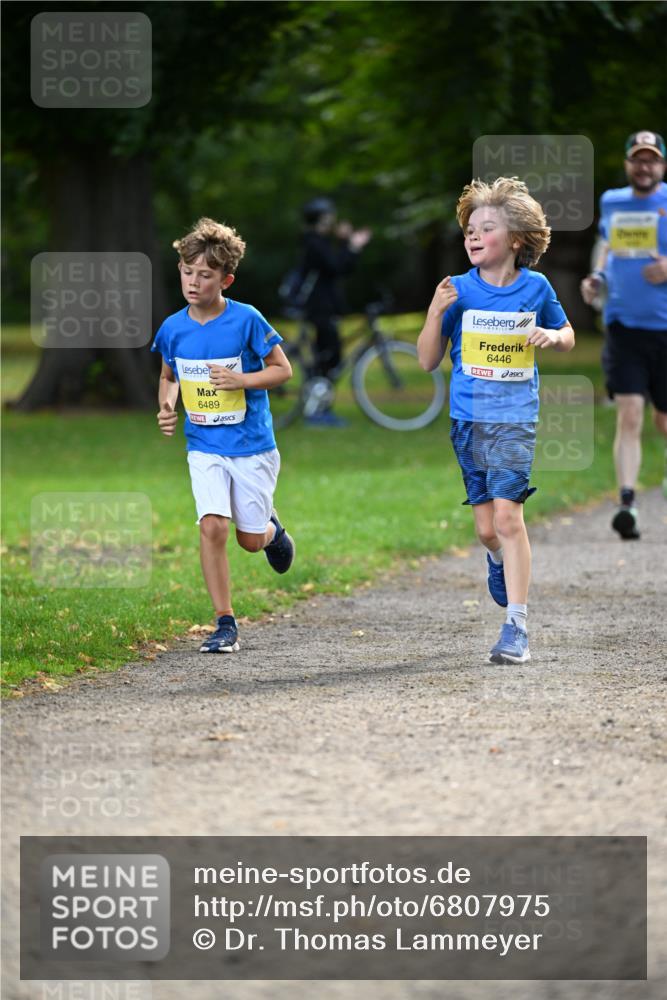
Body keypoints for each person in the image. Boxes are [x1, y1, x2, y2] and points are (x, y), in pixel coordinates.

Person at [417, 177, 575, 665]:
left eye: (486, 227)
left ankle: (517, 628)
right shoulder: (456, 290)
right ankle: (495, 558)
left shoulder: (536, 287)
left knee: (509, 517)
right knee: (487, 529)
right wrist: (433, 312)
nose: (472, 235)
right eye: (469, 228)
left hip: (514, 419)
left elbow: (568, 333)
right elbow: (426, 360)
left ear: (516, 240)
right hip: (468, 419)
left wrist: (553, 337)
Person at [152, 217, 295, 654]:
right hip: (204, 447)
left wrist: (242, 381)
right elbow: (168, 374)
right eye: (187, 271)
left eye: (205, 275)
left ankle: (273, 533)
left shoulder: (246, 319)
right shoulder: (173, 328)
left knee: (248, 541)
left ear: (225, 279)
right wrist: (166, 405)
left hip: (252, 447)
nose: (193, 282)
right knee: (212, 525)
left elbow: (282, 370)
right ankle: (224, 622)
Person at [580, 130, 667, 540]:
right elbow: (606, 245)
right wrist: (596, 277)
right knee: (629, 412)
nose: (644, 166)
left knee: (664, 420)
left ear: (662, 166)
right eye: (638, 158)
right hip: (623, 326)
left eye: (651, 159)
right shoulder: (611, 202)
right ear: (628, 163)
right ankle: (627, 504)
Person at [299, 196, 372, 427]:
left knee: (329, 357)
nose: (334, 219)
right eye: (330, 215)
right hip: (319, 307)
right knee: (329, 357)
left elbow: (338, 268)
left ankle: (320, 407)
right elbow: (337, 267)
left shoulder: (317, 241)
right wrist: (352, 246)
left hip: (323, 307)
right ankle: (318, 411)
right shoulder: (314, 242)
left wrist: (346, 245)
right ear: (323, 218)